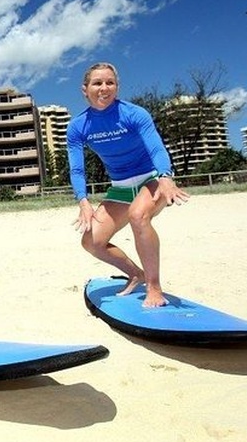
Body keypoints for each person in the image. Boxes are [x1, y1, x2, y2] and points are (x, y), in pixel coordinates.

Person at [66, 63, 189, 308]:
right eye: (97, 83)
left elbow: (155, 147)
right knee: (91, 242)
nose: (104, 88)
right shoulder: (78, 126)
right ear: (85, 89)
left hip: (151, 179)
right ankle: (136, 274)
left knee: (138, 215)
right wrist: (83, 201)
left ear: (117, 86)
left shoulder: (134, 114)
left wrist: (165, 176)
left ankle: (154, 287)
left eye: (110, 82)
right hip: (120, 187)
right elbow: (77, 168)